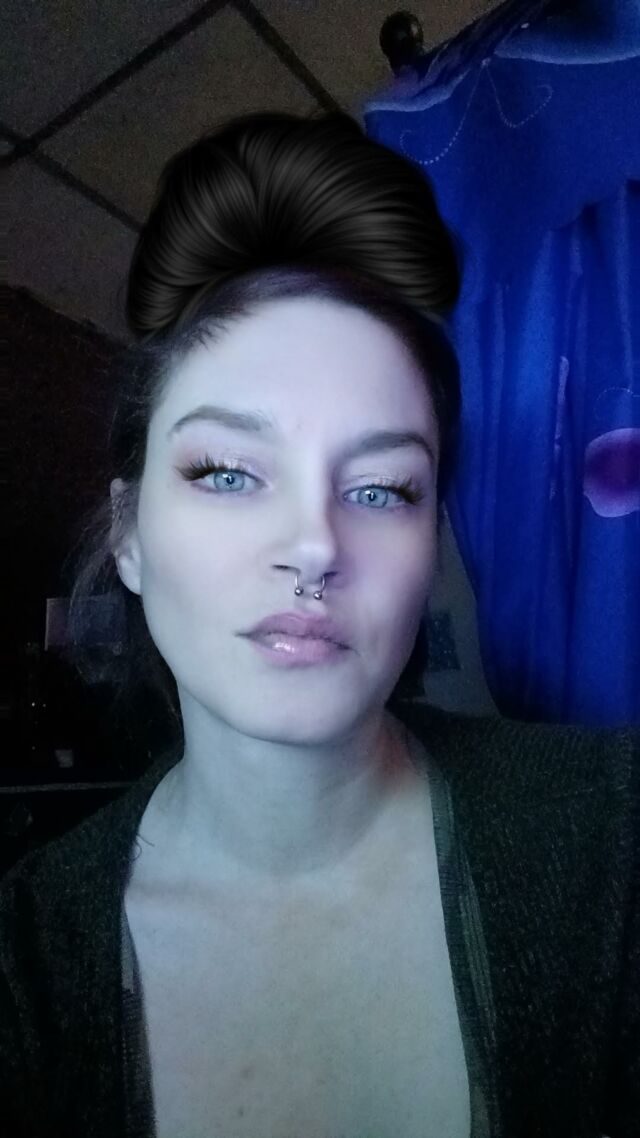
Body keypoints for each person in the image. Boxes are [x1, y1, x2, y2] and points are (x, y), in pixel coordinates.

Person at [1, 109, 637, 1138]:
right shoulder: (24, 970)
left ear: (434, 543)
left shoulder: (614, 839)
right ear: (128, 534)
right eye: (228, 472)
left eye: (382, 488)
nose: (313, 544)